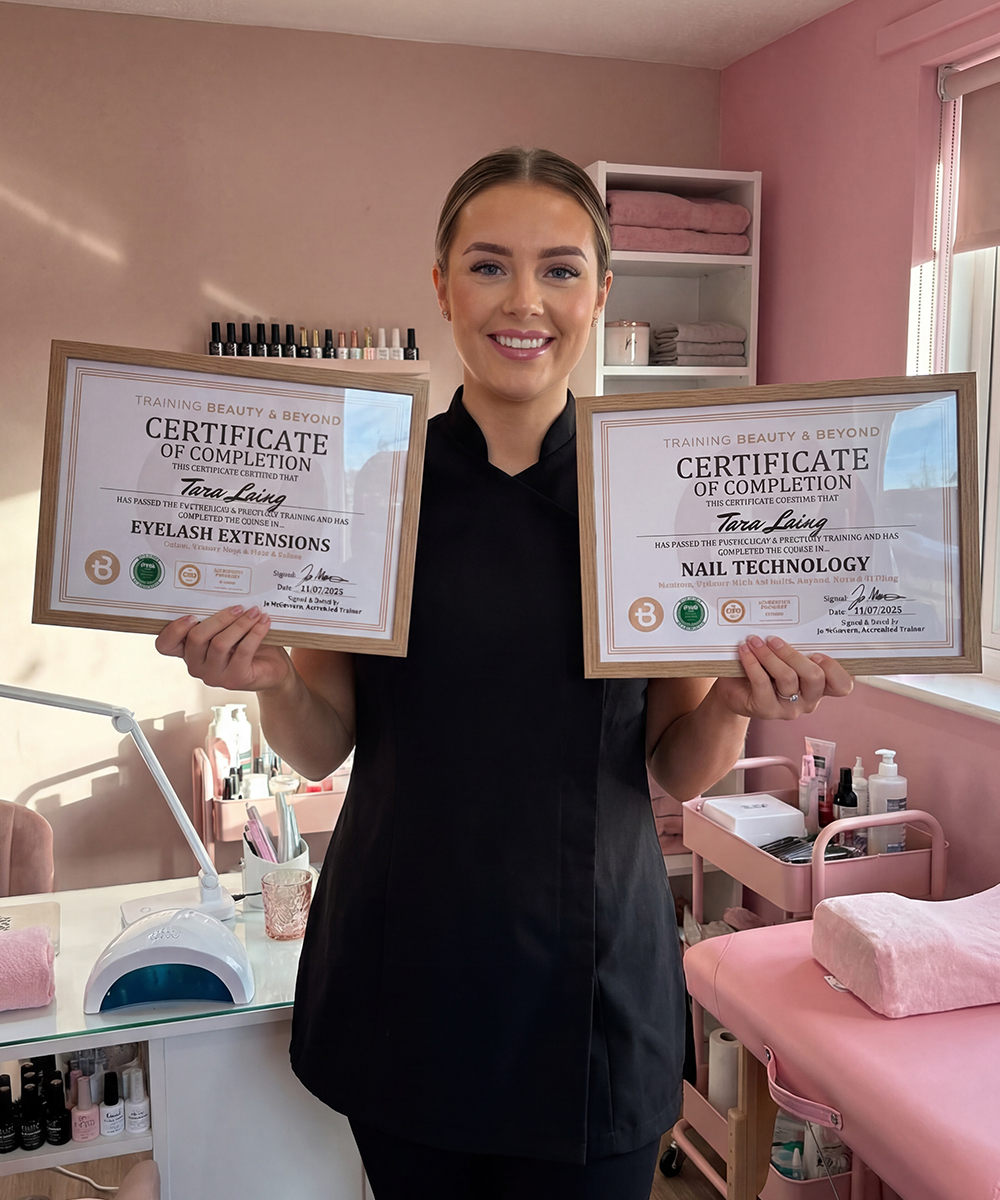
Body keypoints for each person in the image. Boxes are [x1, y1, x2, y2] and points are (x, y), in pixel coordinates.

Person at [156, 147, 852, 1200]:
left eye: (560, 270)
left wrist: (737, 707)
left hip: (592, 989)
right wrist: (265, 679)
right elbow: (320, 739)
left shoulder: (649, 501)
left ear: (601, 292)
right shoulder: (371, 493)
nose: (524, 302)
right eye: (488, 267)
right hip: (407, 968)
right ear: (441, 286)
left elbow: (681, 764)